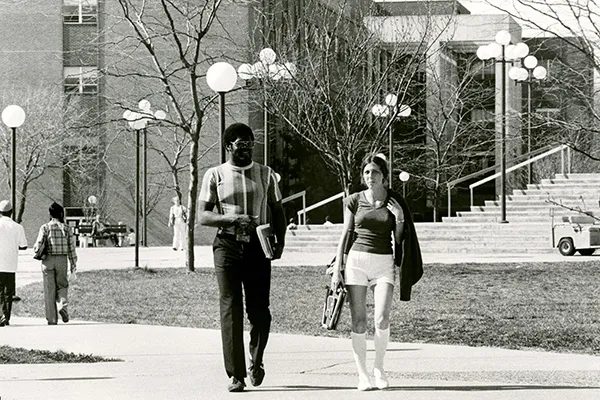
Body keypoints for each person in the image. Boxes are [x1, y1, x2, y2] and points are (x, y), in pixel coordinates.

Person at [198, 122, 286, 393]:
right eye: (241, 144)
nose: (247, 148)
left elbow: (278, 210)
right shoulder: (215, 175)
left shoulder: (266, 174)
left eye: (250, 143)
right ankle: (236, 375)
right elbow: (203, 216)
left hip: (258, 247)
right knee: (231, 307)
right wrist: (232, 218)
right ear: (228, 146)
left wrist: (279, 242)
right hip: (227, 246)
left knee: (260, 311)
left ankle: (256, 362)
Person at [330, 153, 422, 391]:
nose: (370, 176)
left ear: (385, 177)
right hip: (356, 263)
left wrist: (400, 218)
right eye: (367, 172)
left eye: (376, 172)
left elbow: (401, 240)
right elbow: (346, 234)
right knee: (359, 322)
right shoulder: (353, 200)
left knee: (381, 318)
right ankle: (362, 375)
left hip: (383, 263)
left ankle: (379, 368)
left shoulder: (394, 201)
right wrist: (336, 267)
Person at [33, 202, 78, 325]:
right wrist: (73, 266)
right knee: (62, 285)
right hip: (62, 260)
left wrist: (36, 250)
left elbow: (37, 246)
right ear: (61, 214)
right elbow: (72, 249)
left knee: (49, 290)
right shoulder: (67, 229)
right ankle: (62, 306)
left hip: (47, 260)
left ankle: (52, 319)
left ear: (50, 214)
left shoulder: (45, 228)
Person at [0, 200, 28, 327]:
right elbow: (23, 246)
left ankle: (0, 316)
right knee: (8, 292)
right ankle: (6, 316)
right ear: (11, 212)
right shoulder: (18, 227)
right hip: (10, 264)